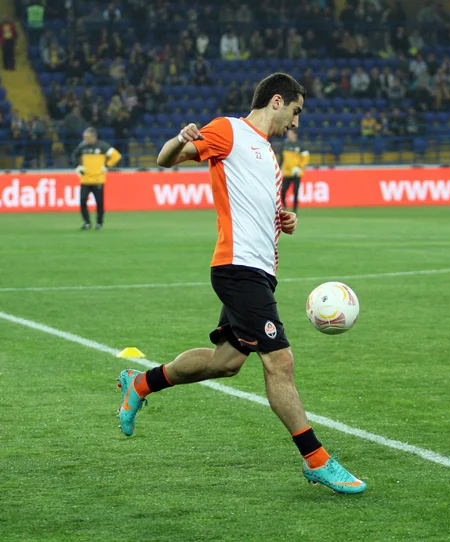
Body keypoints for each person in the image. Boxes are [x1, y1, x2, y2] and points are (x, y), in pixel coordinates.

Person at [117, 73, 366, 494]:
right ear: (276, 101)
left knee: (226, 362)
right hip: (237, 269)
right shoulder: (228, 130)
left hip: (258, 273)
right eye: (296, 111)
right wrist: (181, 138)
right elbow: (164, 159)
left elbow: (256, 207)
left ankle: (140, 384)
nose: (296, 123)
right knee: (280, 362)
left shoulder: (269, 156)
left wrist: (283, 220)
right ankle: (316, 459)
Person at [72, 127, 122, 230]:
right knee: (82, 201)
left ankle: (99, 223)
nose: (85, 139)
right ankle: (87, 222)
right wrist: (78, 166)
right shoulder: (82, 146)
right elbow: (74, 155)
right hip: (85, 179)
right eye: (84, 137)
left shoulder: (103, 146)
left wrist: (107, 165)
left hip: (98, 179)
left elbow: (116, 155)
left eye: (87, 137)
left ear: (93, 137)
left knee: (99, 203)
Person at [280, 129, 309, 214]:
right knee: (283, 190)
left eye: (290, 134)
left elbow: (305, 158)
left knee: (295, 191)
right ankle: (284, 205)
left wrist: (299, 167)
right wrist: (280, 167)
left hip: (296, 173)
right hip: (287, 172)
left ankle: (295, 209)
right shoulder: (284, 144)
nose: (288, 135)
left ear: (295, 134)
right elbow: (282, 157)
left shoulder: (300, 145)